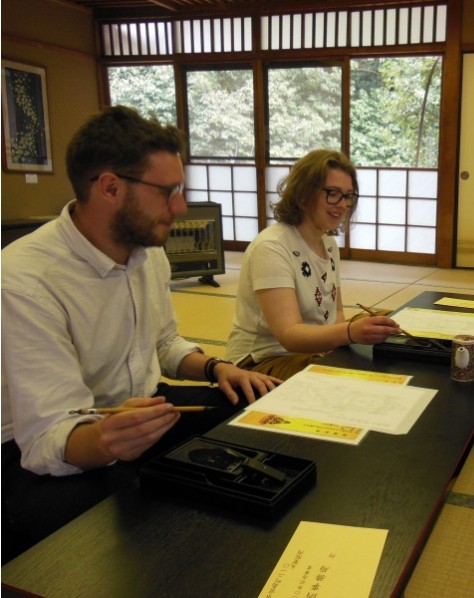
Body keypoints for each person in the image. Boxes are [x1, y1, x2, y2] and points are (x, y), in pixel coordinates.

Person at [1, 105, 280, 562]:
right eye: (167, 191)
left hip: (140, 414)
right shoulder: (25, 280)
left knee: (251, 413)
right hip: (43, 448)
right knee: (115, 529)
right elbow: (47, 436)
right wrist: (108, 439)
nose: (181, 207)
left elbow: (164, 343)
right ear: (110, 187)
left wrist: (217, 367)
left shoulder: (147, 254)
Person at [225, 149, 400, 380]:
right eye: (332, 193)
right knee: (347, 373)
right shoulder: (272, 247)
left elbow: (335, 312)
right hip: (265, 359)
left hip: (314, 350)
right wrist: (348, 334)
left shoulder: (328, 243)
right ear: (304, 193)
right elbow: (289, 335)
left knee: (387, 321)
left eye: (348, 196)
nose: (342, 204)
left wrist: (342, 342)